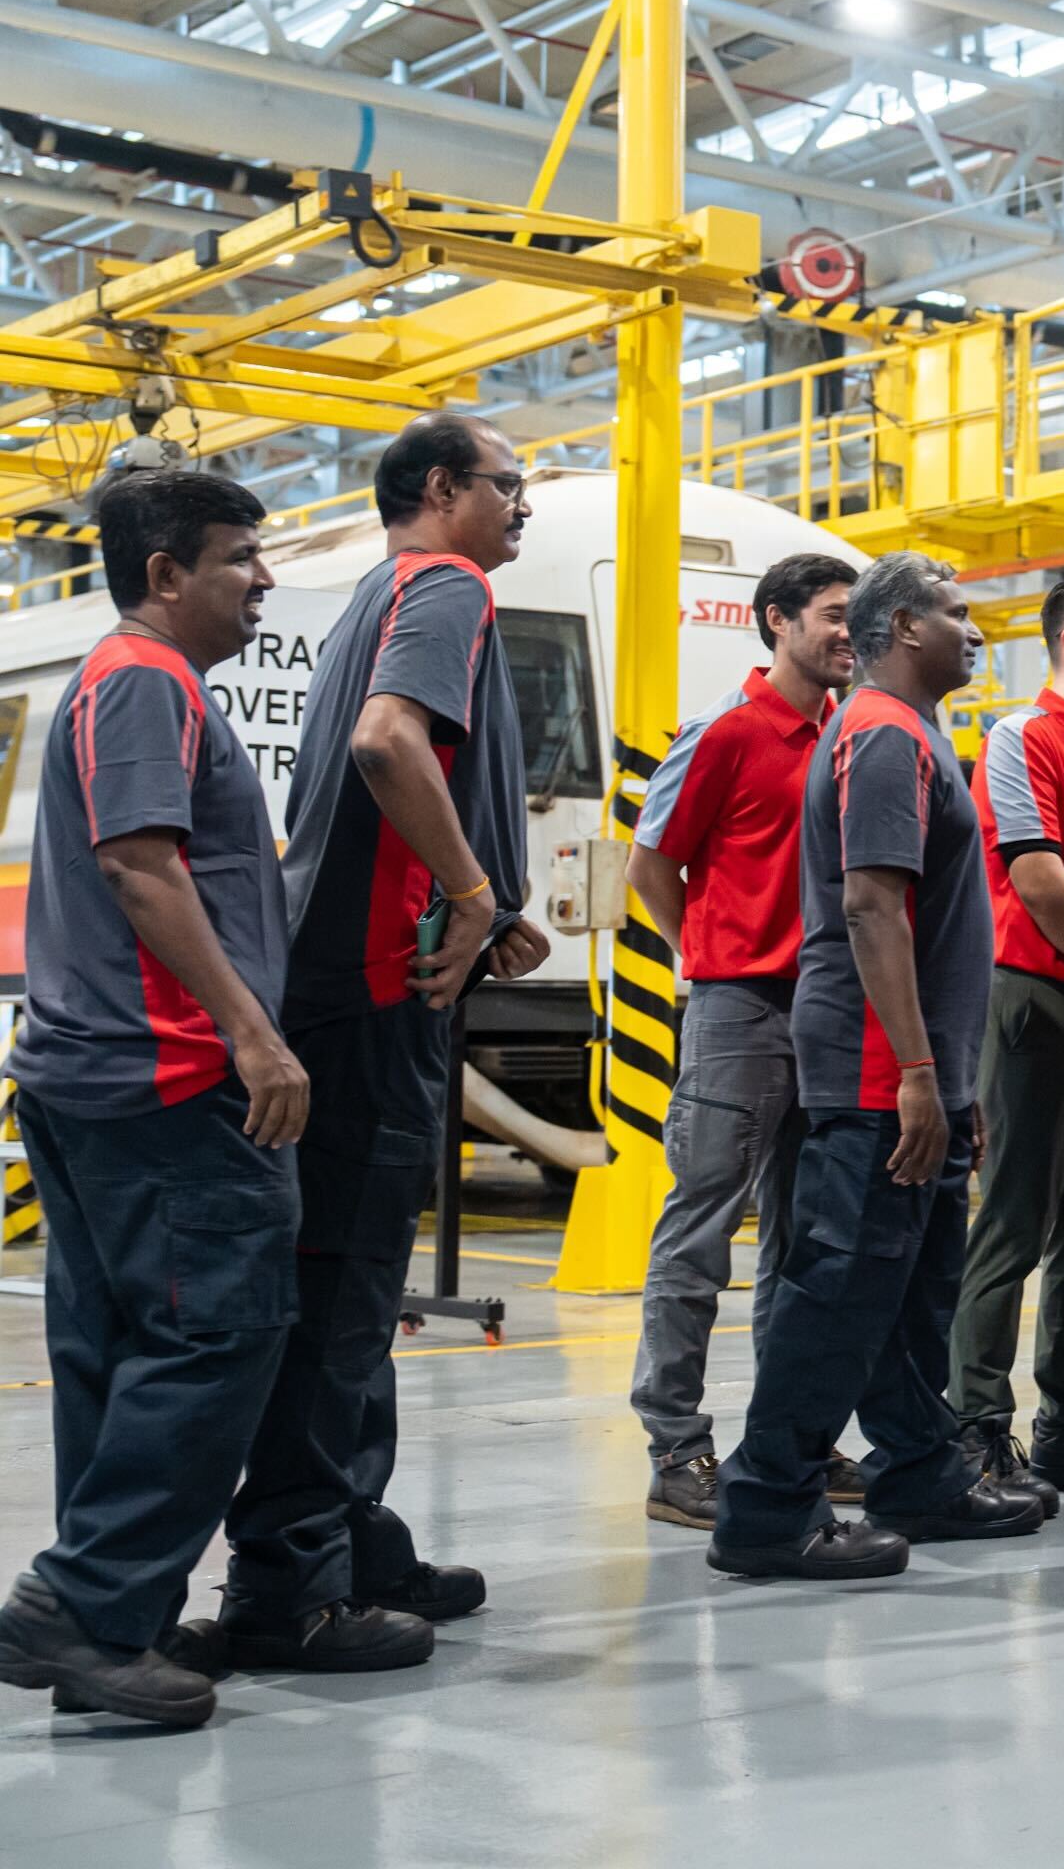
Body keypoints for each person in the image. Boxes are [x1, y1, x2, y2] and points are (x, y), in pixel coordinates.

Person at [222, 413, 550, 1669]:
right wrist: (470, 895)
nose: (518, 505)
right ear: (437, 488)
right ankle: (285, 1585)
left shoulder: (380, 591)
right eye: (505, 484)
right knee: (342, 1293)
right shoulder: (444, 584)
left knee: (354, 1291)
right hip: (367, 993)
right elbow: (386, 743)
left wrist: (485, 898)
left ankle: (353, 1536)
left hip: (360, 981)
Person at [0, 474, 306, 1728]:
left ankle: (109, 1615)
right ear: (167, 572)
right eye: (241, 558)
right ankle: (80, 1599)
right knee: (218, 1333)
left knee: (119, 1347)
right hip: (168, 1069)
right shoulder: (143, 679)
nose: (263, 580)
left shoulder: (129, 679)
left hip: (99, 1067)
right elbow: (141, 865)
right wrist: (255, 1036)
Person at [711, 552, 1041, 1581]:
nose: (973, 629)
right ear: (900, 627)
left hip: (920, 1068)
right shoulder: (885, 737)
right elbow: (869, 907)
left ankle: (920, 1470)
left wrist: (952, 1081)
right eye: (955, 612)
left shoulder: (918, 731)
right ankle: (768, 1503)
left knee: (909, 1292)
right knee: (845, 1290)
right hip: (871, 1069)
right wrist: (908, 1071)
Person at [624, 553, 860, 1530]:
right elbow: (650, 863)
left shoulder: (848, 732)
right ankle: (675, 1446)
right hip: (738, 1013)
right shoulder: (725, 727)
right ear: (778, 620)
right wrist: (709, 955)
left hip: (825, 1013)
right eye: (836, 616)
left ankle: (788, 1436)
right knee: (700, 1231)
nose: (850, 633)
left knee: (807, 1242)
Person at [943, 571, 1064, 1499]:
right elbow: (1038, 878)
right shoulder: (1023, 737)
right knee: (1015, 1218)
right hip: (1043, 998)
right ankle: (977, 1422)